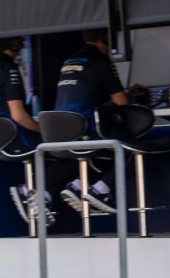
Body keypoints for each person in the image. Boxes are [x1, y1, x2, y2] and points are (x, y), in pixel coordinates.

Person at [53, 28, 139, 214]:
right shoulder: (101, 61)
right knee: (137, 150)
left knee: (106, 154)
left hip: (64, 133)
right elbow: (121, 103)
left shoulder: (68, 61)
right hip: (87, 131)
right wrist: (130, 97)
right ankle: (100, 190)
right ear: (106, 38)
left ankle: (77, 185)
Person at [0, 36, 54, 225]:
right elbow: (18, 115)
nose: (22, 41)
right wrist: (44, 132)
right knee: (64, 148)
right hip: (16, 138)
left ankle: (38, 195)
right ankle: (31, 191)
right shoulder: (8, 69)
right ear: (13, 44)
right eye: (18, 39)